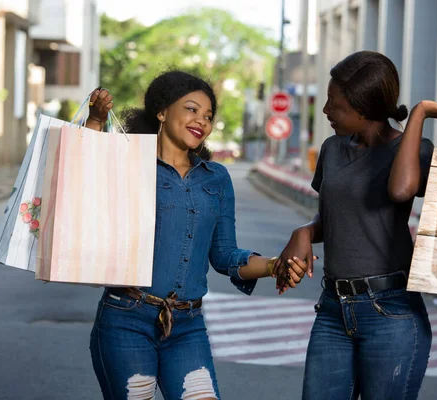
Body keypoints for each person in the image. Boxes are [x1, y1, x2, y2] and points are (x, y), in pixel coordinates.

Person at [84, 70, 311, 400]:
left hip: (187, 326)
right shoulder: (130, 162)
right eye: (191, 109)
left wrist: (275, 265)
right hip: (126, 320)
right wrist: (95, 121)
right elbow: (85, 181)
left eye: (208, 116)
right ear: (162, 111)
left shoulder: (216, 178)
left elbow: (224, 254)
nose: (201, 121)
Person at [273, 51, 437, 400]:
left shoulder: (416, 150)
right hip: (333, 310)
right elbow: (336, 217)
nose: (324, 111)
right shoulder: (332, 149)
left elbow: (401, 190)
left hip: (391, 312)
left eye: (333, 104)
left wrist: (419, 114)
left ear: (362, 109)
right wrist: (304, 231)